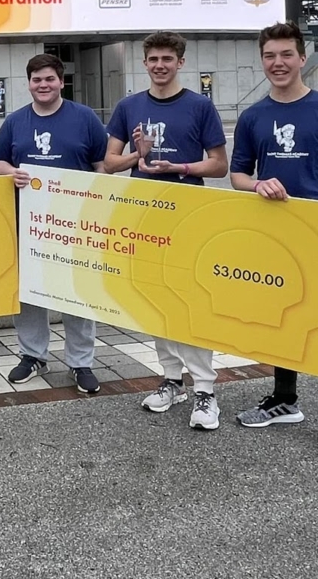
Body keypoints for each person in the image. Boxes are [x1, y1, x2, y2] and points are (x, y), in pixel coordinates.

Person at [230, 22, 318, 459]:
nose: (278, 63)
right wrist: (257, 186)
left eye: (286, 54)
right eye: (270, 56)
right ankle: (284, 399)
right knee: (282, 317)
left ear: (302, 58)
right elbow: (237, 175)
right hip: (274, 232)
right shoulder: (253, 116)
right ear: (262, 60)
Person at [103, 32, 229, 429]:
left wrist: (181, 168)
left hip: (189, 215)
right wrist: (136, 156)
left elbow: (220, 165)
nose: (160, 65)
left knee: (190, 301)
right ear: (144, 63)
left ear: (180, 62)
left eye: (167, 59)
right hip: (145, 216)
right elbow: (109, 163)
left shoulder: (199, 106)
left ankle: (205, 388)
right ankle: (172, 380)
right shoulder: (129, 106)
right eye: (153, 58)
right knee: (157, 300)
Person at [0, 53, 109, 395]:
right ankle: (32, 355)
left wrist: (95, 195)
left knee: (76, 291)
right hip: (30, 221)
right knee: (30, 292)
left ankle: (80, 361)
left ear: (61, 82)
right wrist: (11, 173)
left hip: (75, 222)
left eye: (49, 79)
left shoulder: (84, 118)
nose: (43, 85)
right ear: (28, 84)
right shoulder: (15, 121)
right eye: (36, 80)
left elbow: (101, 165)